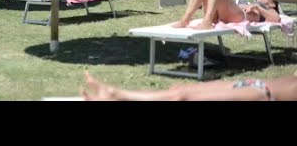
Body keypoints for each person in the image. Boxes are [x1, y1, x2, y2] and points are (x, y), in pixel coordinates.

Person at [81, 71, 297, 101]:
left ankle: (118, 95)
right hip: (255, 84)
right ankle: (116, 94)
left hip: (266, 95)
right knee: (178, 89)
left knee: (182, 96)